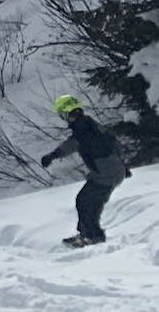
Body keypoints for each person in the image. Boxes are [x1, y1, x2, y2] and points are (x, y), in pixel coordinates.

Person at [40, 94, 133, 247]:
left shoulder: (82, 129)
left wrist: (53, 155)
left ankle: (92, 236)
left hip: (105, 174)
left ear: (66, 113)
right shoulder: (90, 123)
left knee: (85, 201)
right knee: (89, 201)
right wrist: (122, 164)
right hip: (109, 172)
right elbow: (113, 141)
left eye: (63, 115)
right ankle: (87, 234)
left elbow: (72, 144)